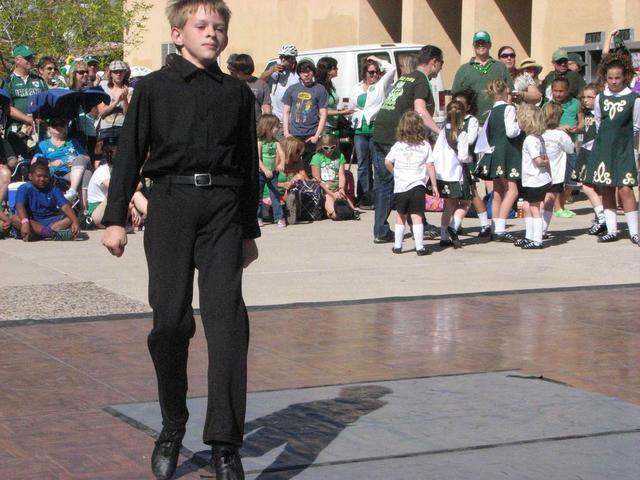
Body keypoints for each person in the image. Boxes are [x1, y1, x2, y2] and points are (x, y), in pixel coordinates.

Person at [101, 1, 259, 479]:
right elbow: (130, 152)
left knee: (228, 323)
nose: (212, 33)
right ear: (178, 34)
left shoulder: (237, 94)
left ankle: (225, 443)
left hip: (224, 211)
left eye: (219, 27)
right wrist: (114, 219)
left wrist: (249, 230)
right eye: (202, 26)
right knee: (170, 323)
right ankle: (173, 423)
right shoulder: (151, 89)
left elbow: (247, 166)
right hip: (169, 204)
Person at [371, 45, 443, 244]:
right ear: (434, 62)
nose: (440, 69)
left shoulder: (406, 77)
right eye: (441, 64)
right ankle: (418, 223)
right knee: (411, 180)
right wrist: (439, 132)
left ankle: (381, 229)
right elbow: (420, 109)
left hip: (380, 132)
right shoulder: (421, 79)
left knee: (385, 183)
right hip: (395, 135)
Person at [583, 52, 639, 245]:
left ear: (625, 77)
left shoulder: (634, 98)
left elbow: (636, 126)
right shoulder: (600, 98)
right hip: (603, 149)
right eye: (610, 78)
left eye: (618, 78)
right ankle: (612, 229)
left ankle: (634, 231)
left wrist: (625, 144)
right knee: (606, 188)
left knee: (625, 188)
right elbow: (599, 122)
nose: (614, 81)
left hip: (624, 149)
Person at [475, 79, 523, 242]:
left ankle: (495, 226)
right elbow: (511, 132)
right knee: (512, 191)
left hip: (494, 152)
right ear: (505, 92)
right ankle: (501, 229)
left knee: (497, 192)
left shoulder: (491, 112)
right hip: (506, 152)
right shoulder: (509, 109)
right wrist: (520, 126)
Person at [384, 111, 438, 255]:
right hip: (418, 185)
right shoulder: (425, 145)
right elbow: (430, 165)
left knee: (401, 215)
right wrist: (434, 185)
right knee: (417, 216)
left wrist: (395, 173)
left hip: (401, 185)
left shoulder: (398, 145)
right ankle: (420, 247)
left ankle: (397, 246)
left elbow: (387, 161)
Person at [348, 55, 396, 208]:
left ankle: (378, 197)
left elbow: (392, 69)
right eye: (370, 72)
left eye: (376, 72)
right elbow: (351, 107)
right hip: (360, 130)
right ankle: (364, 196)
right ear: (364, 73)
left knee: (378, 164)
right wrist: (351, 119)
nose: (374, 75)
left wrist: (378, 59)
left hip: (376, 129)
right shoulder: (356, 88)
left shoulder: (381, 85)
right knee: (362, 165)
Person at [430, 100, 472, 249]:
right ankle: (453, 226)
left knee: (448, 205)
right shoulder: (462, 133)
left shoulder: (442, 131)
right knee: (466, 202)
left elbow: (434, 153)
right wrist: (471, 159)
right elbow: (463, 156)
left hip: (442, 174)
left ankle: (443, 236)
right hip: (456, 174)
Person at [451, 88, 491, 237]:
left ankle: (484, 224)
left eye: (461, 105)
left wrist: (459, 136)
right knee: (456, 195)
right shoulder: (450, 121)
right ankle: (457, 224)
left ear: (468, 107)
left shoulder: (471, 121)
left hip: (467, 162)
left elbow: (472, 139)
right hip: (453, 164)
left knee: (472, 194)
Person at [452, 31, 514, 123]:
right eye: (477, 43)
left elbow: (510, 92)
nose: (480, 45)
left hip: (497, 120)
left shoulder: (500, 67)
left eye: (484, 43)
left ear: (490, 45)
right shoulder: (464, 69)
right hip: (471, 121)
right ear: (473, 46)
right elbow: (455, 96)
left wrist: (507, 116)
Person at [10, 160, 80, 241]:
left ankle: (42, 234)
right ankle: (50, 234)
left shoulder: (54, 189)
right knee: (15, 219)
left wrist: (75, 221)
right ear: (30, 176)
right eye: (39, 176)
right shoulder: (24, 188)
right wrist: (25, 222)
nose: (42, 179)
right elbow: (20, 206)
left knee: (71, 217)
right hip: (32, 221)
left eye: (45, 176)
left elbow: (65, 206)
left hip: (52, 222)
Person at [33, 117, 92, 206]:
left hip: (74, 170)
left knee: (81, 159)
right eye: (55, 125)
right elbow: (34, 163)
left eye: (62, 125)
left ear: (66, 128)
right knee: (86, 173)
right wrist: (52, 163)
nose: (59, 127)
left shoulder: (72, 142)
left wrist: (75, 162)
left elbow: (87, 158)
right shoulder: (43, 144)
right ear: (49, 129)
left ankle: (73, 194)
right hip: (59, 175)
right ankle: (83, 210)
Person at [282, 58, 328, 173]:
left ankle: (309, 189)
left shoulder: (320, 89)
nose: (306, 74)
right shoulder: (292, 89)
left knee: (309, 167)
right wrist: (286, 132)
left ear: (313, 72)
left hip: (311, 135)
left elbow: (323, 114)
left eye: (309, 71)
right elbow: (286, 111)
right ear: (299, 74)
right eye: (303, 72)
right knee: (292, 166)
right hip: (294, 134)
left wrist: (317, 135)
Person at [1, 45, 47, 158]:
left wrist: (37, 120)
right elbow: (7, 108)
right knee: (20, 164)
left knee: (40, 163)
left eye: (31, 57)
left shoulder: (39, 81)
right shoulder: (8, 82)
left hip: (39, 128)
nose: (31, 60)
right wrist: (27, 120)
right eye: (27, 58)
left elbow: (47, 103)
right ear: (17, 60)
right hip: (16, 130)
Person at [516, 104, 551, 249]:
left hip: (534, 179)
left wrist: (544, 162)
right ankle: (529, 236)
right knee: (528, 207)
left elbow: (537, 160)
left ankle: (537, 239)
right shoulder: (539, 138)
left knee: (534, 209)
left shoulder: (530, 140)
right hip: (537, 179)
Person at [573, 83, 606, 235]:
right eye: (584, 97)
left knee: (587, 187)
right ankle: (599, 217)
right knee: (595, 190)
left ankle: (602, 218)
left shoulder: (600, 115)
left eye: (590, 97)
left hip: (595, 153)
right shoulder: (586, 114)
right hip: (586, 152)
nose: (585, 100)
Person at [540, 102, 574, 238]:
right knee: (549, 201)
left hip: (539, 174)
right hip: (555, 174)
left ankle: (536, 228)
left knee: (539, 201)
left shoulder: (538, 133)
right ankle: (542, 229)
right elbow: (570, 149)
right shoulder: (561, 135)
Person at [550, 77, 583, 217]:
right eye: (555, 91)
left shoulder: (576, 103)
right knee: (557, 179)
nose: (558, 94)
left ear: (568, 91)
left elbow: (582, 122)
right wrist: (559, 127)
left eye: (561, 91)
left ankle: (561, 205)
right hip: (554, 149)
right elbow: (543, 125)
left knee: (571, 180)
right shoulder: (549, 105)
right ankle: (558, 208)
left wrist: (578, 129)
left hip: (570, 146)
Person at [310, 133, 355, 219]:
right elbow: (317, 179)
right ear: (321, 146)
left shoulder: (340, 156)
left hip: (337, 190)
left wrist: (341, 189)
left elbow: (342, 175)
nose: (329, 150)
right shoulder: (317, 157)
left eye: (332, 147)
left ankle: (326, 209)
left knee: (350, 213)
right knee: (337, 215)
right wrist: (331, 193)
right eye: (326, 148)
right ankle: (325, 209)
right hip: (324, 191)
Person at [256, 114, 285, 227]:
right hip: (261, 174)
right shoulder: (260, 142)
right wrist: (264, 169)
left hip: (273, 174)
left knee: (275, 195)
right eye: (275, 126)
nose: (277, 128)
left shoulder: (276, 141)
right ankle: (257, 217)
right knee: (258, 196)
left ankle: (279, 218)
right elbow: (257, 158)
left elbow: (282, 154)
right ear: (267, 127)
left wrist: (281, 163)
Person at [260, 44, 299, 125]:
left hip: (293, 118)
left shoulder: (299, 73)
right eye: (281, 57)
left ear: (293, 58)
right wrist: (271, 70)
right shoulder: (277, 71)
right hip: (277, 117)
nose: (283, 60)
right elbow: (261, 80)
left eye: (286, 57)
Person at [227, 53, 272, 122]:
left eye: (236, 71)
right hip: (235, 124)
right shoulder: (231, 83)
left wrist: (268, 127)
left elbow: (267, 109)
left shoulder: (262, 85)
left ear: (243, 70)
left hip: (255, 124)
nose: (233, 73)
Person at [96, 60, 132, 146]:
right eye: (115, 72)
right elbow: (102, 113)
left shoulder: (130, 91)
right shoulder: (103, 90)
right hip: (106, 129)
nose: (118, 74)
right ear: (110, 74)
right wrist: (117, 101)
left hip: (123, 128)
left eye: (121, 71)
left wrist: (125, 100)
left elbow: (128, 114)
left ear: (125, 73)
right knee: (106, 157)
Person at [315, 57, 353, 137]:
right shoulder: (319, 87)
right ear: (328, 71)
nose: (337, 69)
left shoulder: (329, 84)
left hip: (333, 126)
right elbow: (321, 111)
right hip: (324, 127)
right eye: (335, 68)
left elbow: (330, 107)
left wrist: (341, 110)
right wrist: (341, 112)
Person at [277, 136, 310, 225]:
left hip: (291, 191)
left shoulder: (298, 161)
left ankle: (291, 208)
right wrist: (283, 184)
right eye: (298, 151)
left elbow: (306, 180)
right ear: (289, 151)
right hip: (276, 192)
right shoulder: (278, 162)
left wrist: (294, 180)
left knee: (299, 177)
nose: (300, 154)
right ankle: (291, 209)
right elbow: (268, 182)